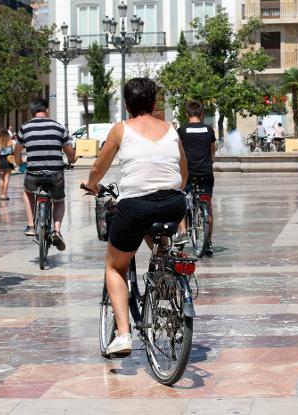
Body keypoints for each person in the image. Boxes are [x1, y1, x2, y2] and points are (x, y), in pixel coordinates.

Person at [82, 78, 188, 356]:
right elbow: (183, 173)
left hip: (136, 205)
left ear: (127, 105)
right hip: (174, 202)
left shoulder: (121, 129)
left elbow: (99, 166)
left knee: (115, 267)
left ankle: (124, 334)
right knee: (159, 242)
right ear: (154, 104)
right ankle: (169, 283)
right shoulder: (171, 129)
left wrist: (91, 185)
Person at [14, 98, 76, 250]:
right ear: (46, 110)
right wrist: (72, 159)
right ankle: (56, 229)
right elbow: (69, 151)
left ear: (32, 112)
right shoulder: (58, 127)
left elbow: (17, 150)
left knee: (28, 192)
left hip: (33, 173)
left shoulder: (25, 128)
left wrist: (19, 162)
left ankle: (30, 225)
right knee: (59, 200)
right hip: (55, 173)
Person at [175, 100, 216, 255]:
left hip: (187, 173)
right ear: (202, 114)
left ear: (187, 114)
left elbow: (178, 152)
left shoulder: (182, 131)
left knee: (180, 200)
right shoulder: (209, 130)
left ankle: (184, 232)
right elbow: (213, 152)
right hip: (206, 173)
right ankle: (209, 242)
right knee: (208, 206)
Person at [0, 129, 15, 200]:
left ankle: (1, 194)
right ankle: (5, 195)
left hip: (1, 161)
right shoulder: (11, 142)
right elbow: (13, 151)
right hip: (8, 161)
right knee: (7, 178)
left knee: (1, 179)